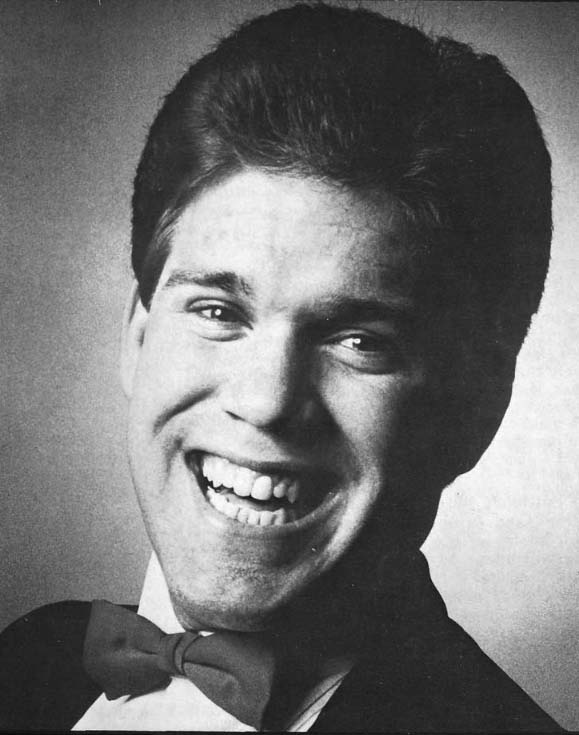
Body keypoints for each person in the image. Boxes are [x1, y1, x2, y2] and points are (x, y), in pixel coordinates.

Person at [0, 3, 563, 731]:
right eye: (218, 311)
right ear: (137, 338)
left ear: (475, 408)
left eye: (359, 341)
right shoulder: (29, 660)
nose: (265, 400)